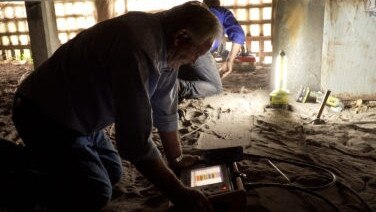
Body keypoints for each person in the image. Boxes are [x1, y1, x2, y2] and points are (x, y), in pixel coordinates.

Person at [8, 1, 222, 211]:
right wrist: (178, 192)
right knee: (95, 192)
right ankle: (13, 166)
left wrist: (176, 159)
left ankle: (44, 160)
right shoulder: (137, 48)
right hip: (43, 114)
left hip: (82, 118)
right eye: (196, 53)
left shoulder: (167, 45)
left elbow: (165, 108)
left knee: (112, 171)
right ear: (181, 37)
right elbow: (134, 143)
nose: (194, 62)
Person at [178, 0, 246, 99]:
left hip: (177, 49)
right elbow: (239, 34)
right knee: (215, 88)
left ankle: (172, 81)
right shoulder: (221, 12)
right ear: (218, 2)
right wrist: (229, 60)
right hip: (197, 48)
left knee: (200, 73)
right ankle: (176, 87)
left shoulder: (196, 12)